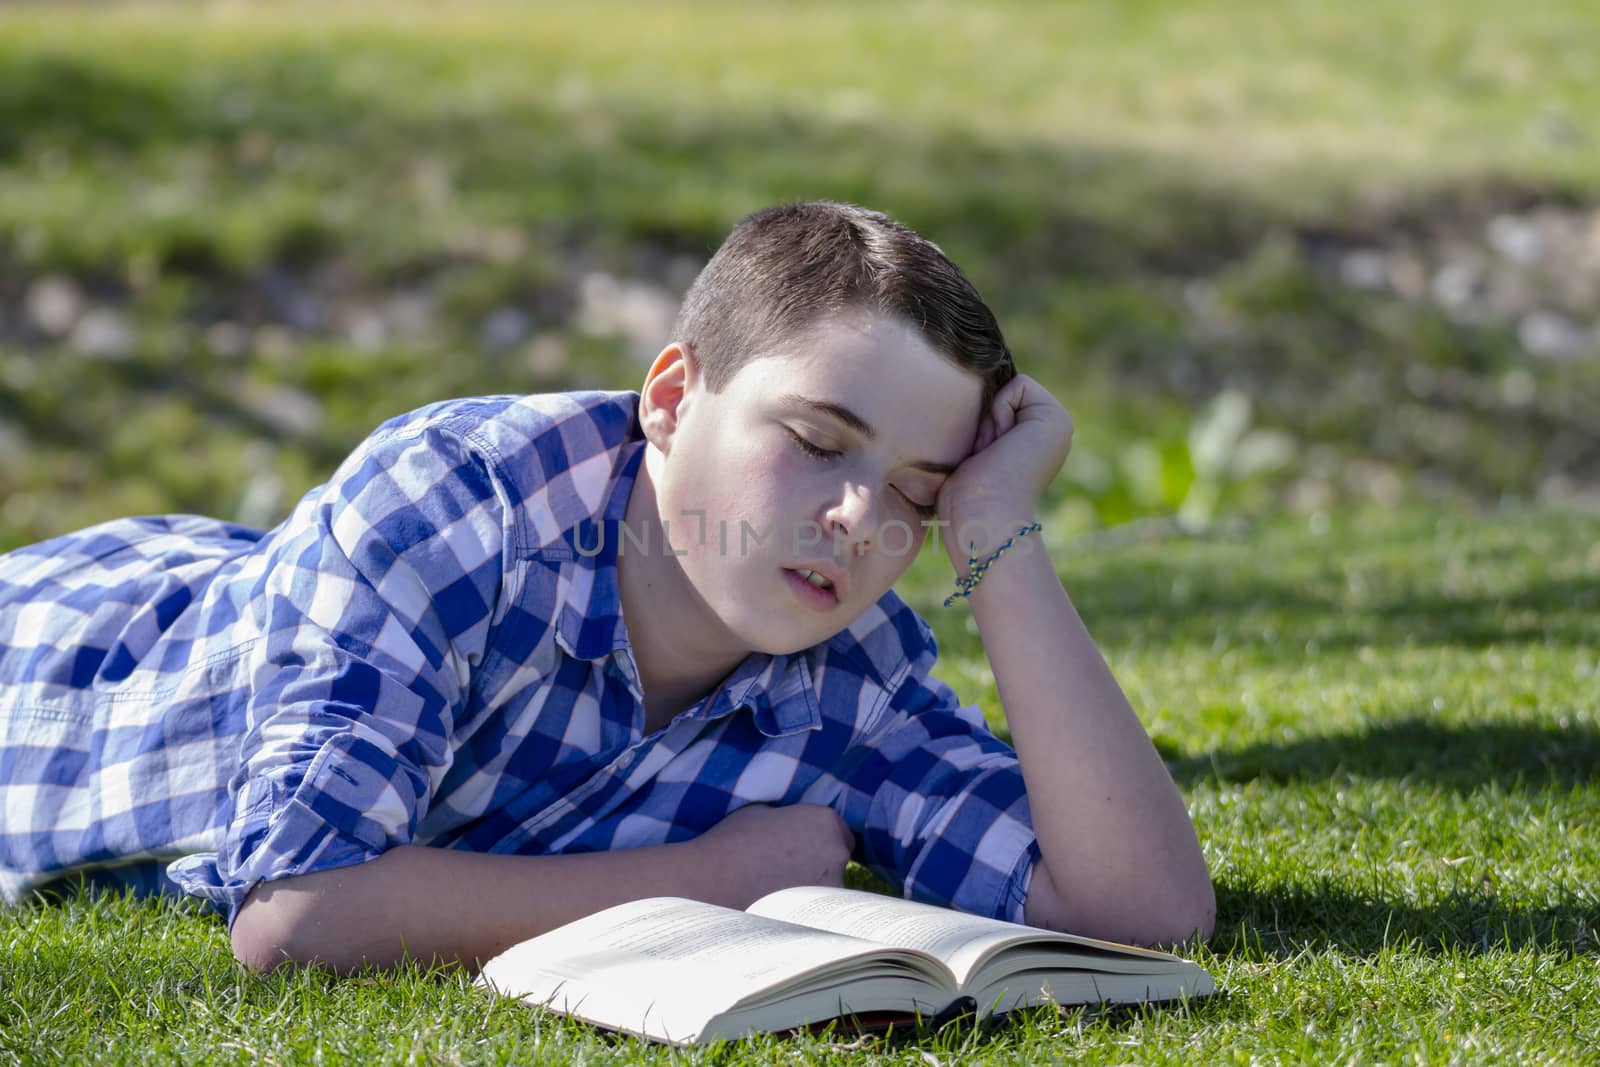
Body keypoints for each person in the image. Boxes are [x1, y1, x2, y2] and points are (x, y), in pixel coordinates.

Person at [0, 201, 1214, 973]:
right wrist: (720, 879)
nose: (859, 516)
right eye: (818, 439)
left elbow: (1144, 908)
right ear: (673, 398)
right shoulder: (455, 509)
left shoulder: (849, 682)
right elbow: (298, 917)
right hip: (57, 663)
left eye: (917, 486)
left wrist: (994, 526)